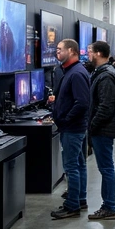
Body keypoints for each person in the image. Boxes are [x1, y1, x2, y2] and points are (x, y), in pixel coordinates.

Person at [50, 39, 91, 219]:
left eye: (60, 49)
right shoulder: (71, 71)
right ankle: (80, 199)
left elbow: (82, 103)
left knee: (71, 166)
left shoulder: (76, 73)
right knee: (79, 164)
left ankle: (72, 205)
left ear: (72, 51)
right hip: (74, 127)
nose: (57, 52)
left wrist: (65, 119)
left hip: (73, 128)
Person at [87, 41, 115, 220]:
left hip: (103, 130)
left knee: (106, 168)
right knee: (106, 167)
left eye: (90, 51)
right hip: (102, 128)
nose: (87, 54)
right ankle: (108, 205)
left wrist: (92, 125)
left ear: (98, 53)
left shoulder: (106, 76)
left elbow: (106, 107)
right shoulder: (102, 73)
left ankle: (109, 207)